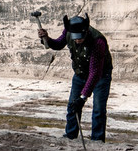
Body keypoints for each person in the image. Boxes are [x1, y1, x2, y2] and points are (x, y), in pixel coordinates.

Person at [39, 14, 112, 142]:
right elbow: (58, 44)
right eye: (75, 37)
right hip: (80, 73)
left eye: (80, 37)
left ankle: (97, 140)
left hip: (101, 75)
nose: (77, 40)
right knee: (72, 105)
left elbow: (95, 72)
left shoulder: (98, 41)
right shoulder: (69, 31)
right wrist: (47, 38)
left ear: (86, 31)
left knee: (98, 109)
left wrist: (83, 97)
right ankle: (71, 136)